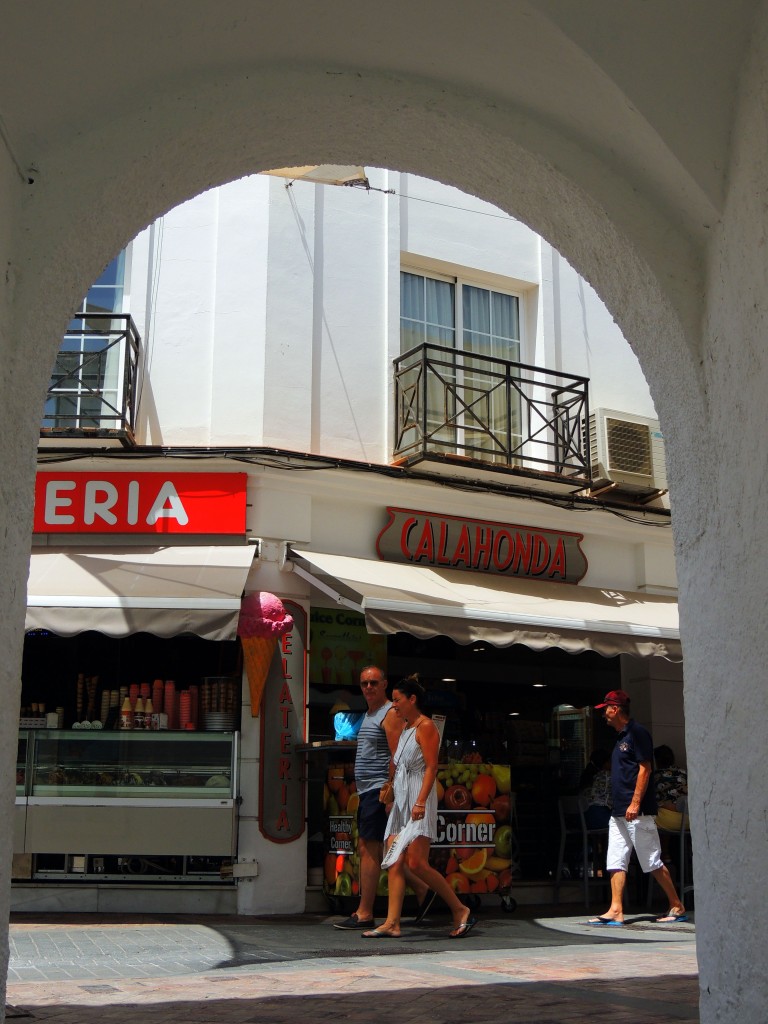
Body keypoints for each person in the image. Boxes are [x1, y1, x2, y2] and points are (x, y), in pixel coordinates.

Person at [362, 675, 477, 939]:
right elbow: (397, 764)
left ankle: (460, 909)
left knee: (417, 864)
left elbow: (431, 767)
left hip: (418, 796)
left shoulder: (426, 727)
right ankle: (392, 922)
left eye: (398, 700)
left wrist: (422, 800)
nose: (394, 706)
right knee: (394, 860)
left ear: (412, 699)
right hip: (402, 799)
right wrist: (391, 795)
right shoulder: (405, 729)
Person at [333, 665, 432, 929]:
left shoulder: (389, 714)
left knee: (370, 849)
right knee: (387, 852)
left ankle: (365, 912)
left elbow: (398, 755)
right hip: (369, 790)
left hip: (378, 791)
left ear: (384, 684)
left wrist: (391, 793)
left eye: (374, 683)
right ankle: (425, 891)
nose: (368, 687)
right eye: (364, 683)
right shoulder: (371, 714)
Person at [588, 689, 688, 926]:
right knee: (615, 859)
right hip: (619, 810)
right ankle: (615, 909)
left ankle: (677, 905)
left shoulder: (637, 733)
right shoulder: (621, 736)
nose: (604, 716)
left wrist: (635, 803)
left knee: (651, 859)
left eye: (606, 711)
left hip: (637, 811)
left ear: (615, 709)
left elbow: (645, 768)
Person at [653, 744, 689, 832]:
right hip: (688, 821)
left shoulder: (655, 776)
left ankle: (662, 846)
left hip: (667, 821)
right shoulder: (684, 773)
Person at [580, 748, 612, 829]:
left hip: (583, 818)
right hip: (598, 817)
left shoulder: (587, 773)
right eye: (610, 761)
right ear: (604, 763)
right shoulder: (604, 776)